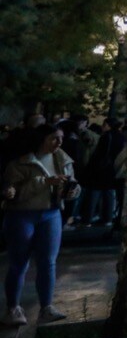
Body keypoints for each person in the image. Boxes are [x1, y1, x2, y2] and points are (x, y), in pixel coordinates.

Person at [2, 123, 78, 326]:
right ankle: (13, 308)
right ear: (41, 139)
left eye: (61, 138)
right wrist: (44, 182)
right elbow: (14, 195)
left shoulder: (62, 159)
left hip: (51, 214)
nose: (59, 142)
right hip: (22, 215)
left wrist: (72, 191)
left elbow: (73, 183)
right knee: (19, 264)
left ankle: (47, 307)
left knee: (48, 262)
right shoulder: (20, 163)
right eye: (54, 138)